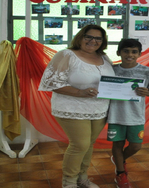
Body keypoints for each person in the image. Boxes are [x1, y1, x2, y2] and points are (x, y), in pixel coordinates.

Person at [39, 24, 115, 188]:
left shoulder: (104, 57)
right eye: (89, 36)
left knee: (89, 144)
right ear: (80, 37)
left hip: (99, 109)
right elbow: (50, 83)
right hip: (72, 108)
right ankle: (69, 181)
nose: (92, 41)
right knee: (79, 144)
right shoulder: (66, 55)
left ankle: (82, 178)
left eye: (98, 38)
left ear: (102, 41)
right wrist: (80, 92)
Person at [106, 38, 149, 188]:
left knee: (136, 146)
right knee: (117, 144)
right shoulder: (111, 70)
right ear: (118, 52)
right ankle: (121, 174)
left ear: (140, 54)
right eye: (126, 51)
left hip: (136, 116)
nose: (130, 54)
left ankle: (118, 159)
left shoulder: (148, 71)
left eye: (134, 52)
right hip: (115, 115)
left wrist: (147, 92)